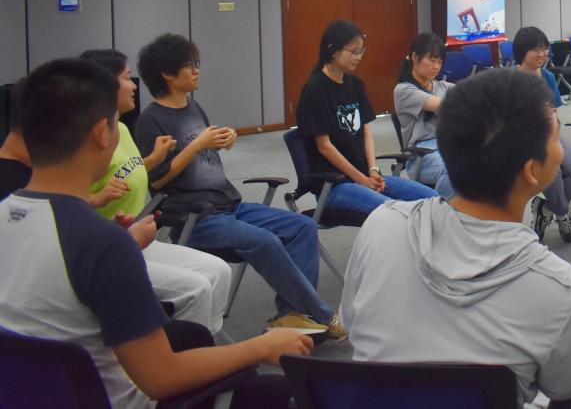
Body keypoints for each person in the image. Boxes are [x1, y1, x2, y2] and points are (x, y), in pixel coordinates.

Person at [0, 58, 311, 409]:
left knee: (191, 334)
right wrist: (260, 347)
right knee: (281, 392)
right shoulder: (100, 244)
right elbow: (161, 378)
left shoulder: (8, 212)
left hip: (29, 395)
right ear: (101, 134)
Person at [342, 68, 571, 409]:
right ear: (531, 171)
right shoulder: (561, 287)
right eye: (556, 138)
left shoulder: (382, 225)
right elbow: (566, 389)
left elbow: (352, 323)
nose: (561, 150)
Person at [132, 33, 344, 339]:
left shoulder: (192, 107)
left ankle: (291, 315)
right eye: (190, 65)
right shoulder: (151, 120)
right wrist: (198, 144)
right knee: (266, 242)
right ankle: (321, 314)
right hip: (196, 217)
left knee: (303, 227)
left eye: (196, 64)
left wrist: (223, 139)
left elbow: (203, 148)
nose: (196, 71)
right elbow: (156, 179)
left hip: (229, 204)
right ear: (166, 73)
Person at [84, 48, 234, 333]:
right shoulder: (85, 139)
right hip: (103, 250)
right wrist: (95, 199)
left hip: (133, 238)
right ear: (103, 84)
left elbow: (128, 169)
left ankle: (203, 342)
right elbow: (60, 201)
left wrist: (153, 159)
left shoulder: (121, 130)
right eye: (126, 78)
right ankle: (183, 353)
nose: (133, 86)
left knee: (219, 270)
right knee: (198, 288)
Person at [295, 19, 436, 216]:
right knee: (395, 212)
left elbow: (366, 134)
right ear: (333, 50)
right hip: (334, 186)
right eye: (354, 51)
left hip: (364, 176)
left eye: (361, 51)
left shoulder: (355, 85)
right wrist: (361, 180)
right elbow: (324, 146)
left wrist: (373, 170)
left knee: (433, 200)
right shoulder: (315, 90)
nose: (358, 57)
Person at [515, 26, 571, 243]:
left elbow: (554, 114)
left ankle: (546, 208)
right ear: (522, 52)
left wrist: (551, 136)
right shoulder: (509, 79)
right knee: (552, 170)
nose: (542, 54)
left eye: (544, 49)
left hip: (549, 136)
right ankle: (562, 212)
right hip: (521, 143)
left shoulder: (547, 77)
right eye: (535, 50)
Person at [392, 31, 455, 196]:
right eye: (432, 60)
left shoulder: (442, 86)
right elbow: (443, 106)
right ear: (415, 57)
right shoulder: (404, 90)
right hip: (421, 155)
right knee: (455, 171)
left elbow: (472, 92)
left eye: (439, 62)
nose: (436, 66)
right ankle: (438, 208)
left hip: (447, 147)